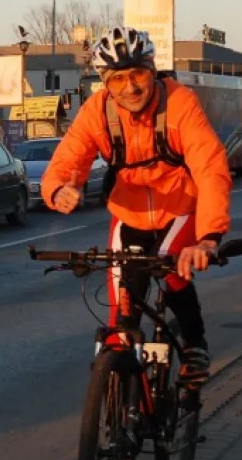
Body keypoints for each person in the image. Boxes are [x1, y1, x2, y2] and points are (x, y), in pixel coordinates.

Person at [40, 26, 232, 383]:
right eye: (117, 79)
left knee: (173, 266)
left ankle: (194, 343)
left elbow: (210, 168)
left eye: (138, 74)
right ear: (105, 84)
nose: (130, 87)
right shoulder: (98, 111)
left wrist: (207, 238)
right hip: (128, 213)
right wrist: (58, 189)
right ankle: (121, 398)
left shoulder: (179, 103)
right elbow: (68, 158)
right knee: (121, 307)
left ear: (152, 70)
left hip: (179, 207)